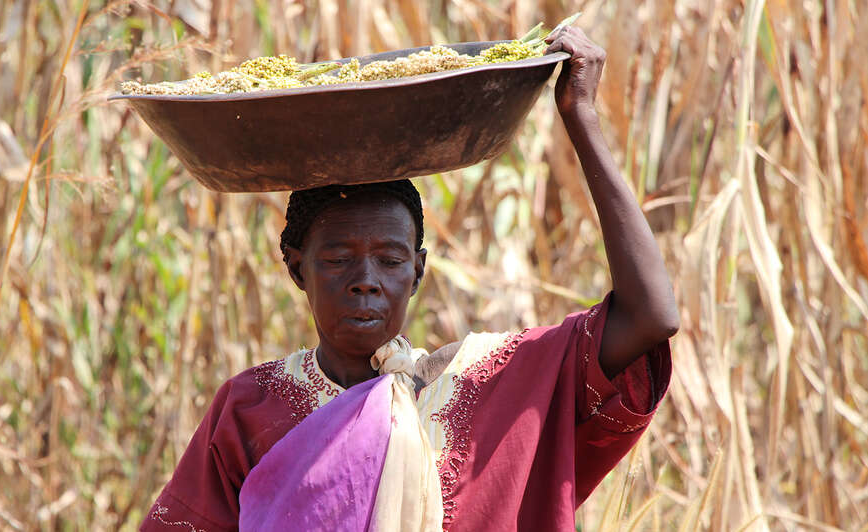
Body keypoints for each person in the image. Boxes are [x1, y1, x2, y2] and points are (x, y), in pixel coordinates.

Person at [140, 26, 678, 532]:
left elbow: (650, 316)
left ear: (418, 270)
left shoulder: (492, 384)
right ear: (295, 266)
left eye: (390, 261)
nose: (365, 281)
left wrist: (580, 114)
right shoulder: (253, 407)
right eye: (337, 259)